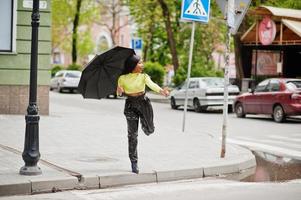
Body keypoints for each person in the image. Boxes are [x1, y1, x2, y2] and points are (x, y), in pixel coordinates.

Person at [117, 54, 169, 174]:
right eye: (140, 63)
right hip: (130, 106)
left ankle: (145, 125)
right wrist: (120, 92)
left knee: (150, 130)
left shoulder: (144, 76)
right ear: (133, 65)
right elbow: (119, 93)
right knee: (132, 135)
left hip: (143, 103)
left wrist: (162, 91)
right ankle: (134, 162)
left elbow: (152, 85)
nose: (142, 65)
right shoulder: (122, 78)